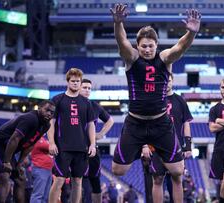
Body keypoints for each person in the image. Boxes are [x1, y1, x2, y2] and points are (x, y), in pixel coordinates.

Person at [110, 3, 200, 203]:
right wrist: (118, 24)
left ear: (156, 46)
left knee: (178, 169)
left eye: (151, 46)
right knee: (118, 170)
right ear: (138, 46)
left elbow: (180, 47)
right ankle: (137, 149)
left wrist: (191, 34)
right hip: (135, 123)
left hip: (161, 124)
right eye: (144, 46)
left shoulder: (165, 59)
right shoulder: (132, 58)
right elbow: (121, 41)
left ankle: (155, 149)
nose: (148, 49)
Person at [0, 100, 55, 203]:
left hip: (8, 150)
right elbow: (14, 139)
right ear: (39, 108)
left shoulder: (46, 125)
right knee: (4, 176)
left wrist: (19, 164)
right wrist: (7, 162)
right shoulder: (30, 119)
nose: (49, 114)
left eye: (52, 112)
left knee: (20, 179)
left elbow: (31, 144)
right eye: (47, 110)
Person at [142, 73, 193, 203]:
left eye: (169, 80)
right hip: (157, 146)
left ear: (172, 82)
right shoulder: (154, 100)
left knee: (177, 178)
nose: (167, 83)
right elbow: (146, 124)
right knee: (157, 179)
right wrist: (145, 145)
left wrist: (188, 146)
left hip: (176, 146)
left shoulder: (180, 100)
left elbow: (186, 123)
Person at [48, 68, 97, 203]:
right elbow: (50, 122)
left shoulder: (87, 103)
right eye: (73, 81)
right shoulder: (57, 100)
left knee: (78, 181)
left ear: (81, 83)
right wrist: (51, 142)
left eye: (78, 81)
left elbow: (91, 125)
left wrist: (93, 144)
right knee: (59, 180)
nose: (75, 83)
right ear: (68, 82)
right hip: (62, 148)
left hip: (81, 148)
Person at [80, 78, 114, 203]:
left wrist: (100, 134)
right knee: (76, 181)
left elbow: (110, 121)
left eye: (89, 88)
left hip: (92, 148)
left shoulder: (94, 106)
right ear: (78, 87)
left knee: (95, 181)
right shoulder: (70, 105)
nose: (87, 90)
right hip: (75, 148)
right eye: (84, 87)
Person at [30, 135, 53, 203]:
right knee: (38, 194)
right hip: (40, 168)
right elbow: (51, 148)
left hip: (48, 169)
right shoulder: (36, 138)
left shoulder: (43, 139)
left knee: (45, 196)